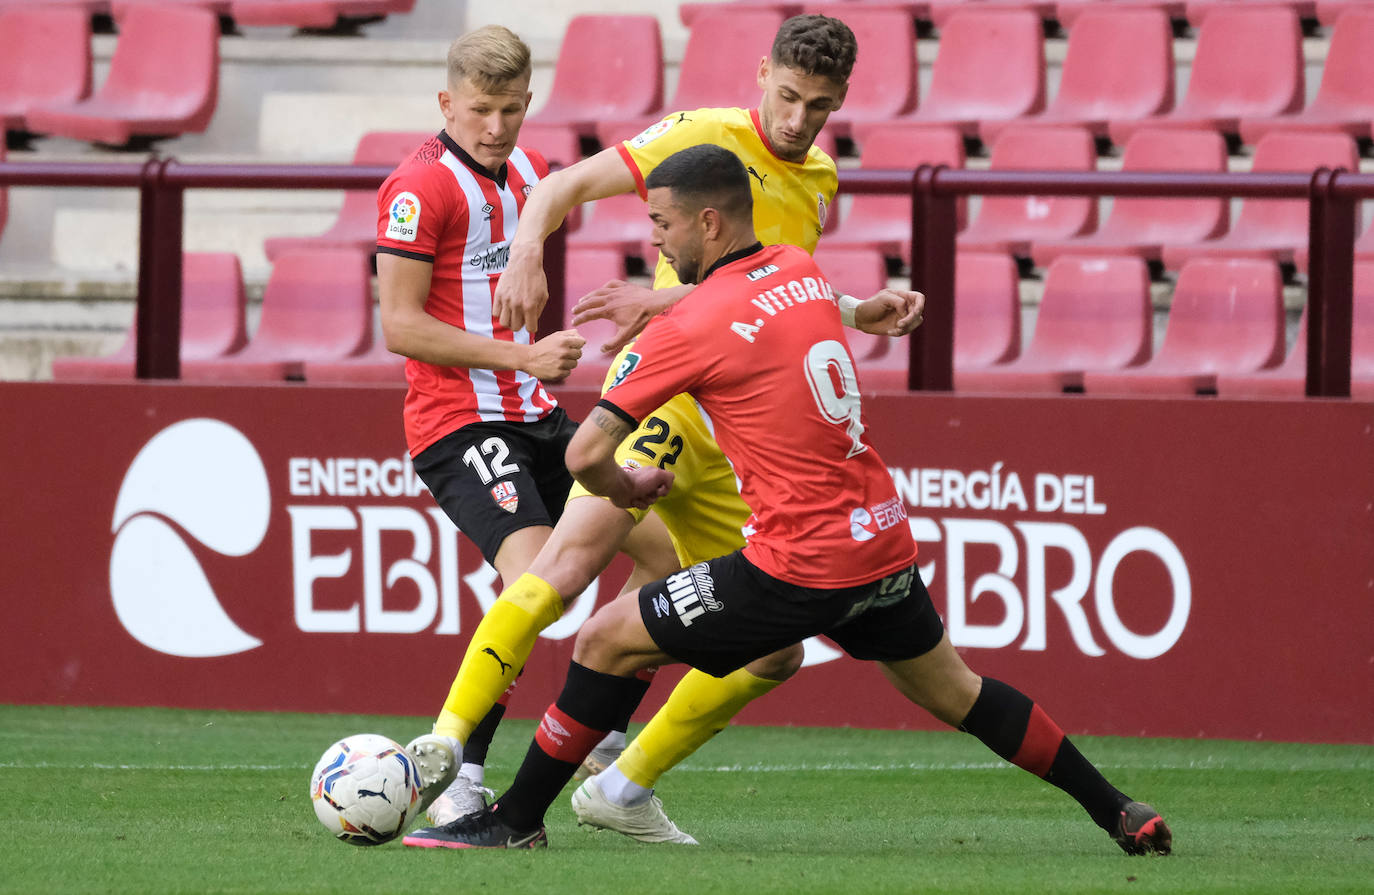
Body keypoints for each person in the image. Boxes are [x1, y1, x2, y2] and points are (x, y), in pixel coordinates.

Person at [401, 144, 1173, 856]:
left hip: (799, 564)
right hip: (882, 542)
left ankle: (515, 819)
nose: (657, 245)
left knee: (604, 639)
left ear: (708, 221)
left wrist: (626, 486)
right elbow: (767, 304)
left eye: (663, 225)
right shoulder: (800, 270)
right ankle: (1118, 808)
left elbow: (584, 452)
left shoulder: (693, 323)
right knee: (958, 691)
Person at [405, 15, 911, 838]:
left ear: (840, 101)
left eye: (817, 105)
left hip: (735, 441)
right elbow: (560, 185)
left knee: (774, 651)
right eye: (786, 96)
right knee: (565, 562)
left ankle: (623, 786)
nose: (796, 119)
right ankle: (445, 749)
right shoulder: (703, 136)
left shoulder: (820, 177)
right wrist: (529, 246)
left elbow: (764, 288)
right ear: (761, 75)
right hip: (665, 400)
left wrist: (857, 309)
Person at [373, 24, 679, 818]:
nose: (496, 126)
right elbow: (400, 326)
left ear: (529, 103)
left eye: (511, 109)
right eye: (480, 109)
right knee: (536, 579)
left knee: (669, 556)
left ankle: (606, 729)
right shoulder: (419, 187)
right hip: (458, 423)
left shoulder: (534, 176)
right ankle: (462, 778)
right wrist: (520, 358)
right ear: (447, 102)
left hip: (537, 414)